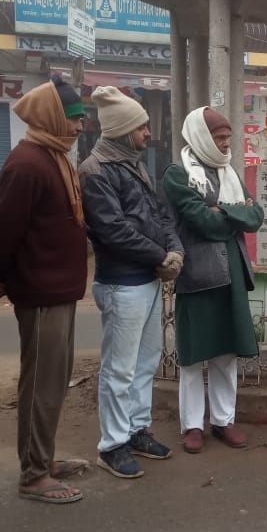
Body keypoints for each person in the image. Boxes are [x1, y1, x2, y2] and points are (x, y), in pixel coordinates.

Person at [0, 75, 89, 504]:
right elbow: (6, 234)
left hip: (60, 289)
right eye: (73, 118)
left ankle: (42, 458)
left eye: (82, 119)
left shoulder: (54, 156)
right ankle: (33, 474)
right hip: (40, 291)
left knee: (55, 381)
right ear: (51, 117)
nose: (80, 127)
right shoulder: (27, 163)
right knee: (40, 385)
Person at [78, 86, 183, 479]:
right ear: (122, 130)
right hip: (122, 283)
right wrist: (161, 257)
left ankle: (136, 429)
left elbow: (159, 215)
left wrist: (174, 251)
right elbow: (112, 230)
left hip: (149, 279)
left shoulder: (134, 164)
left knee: (145, 363)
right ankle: (112, 444)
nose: (147, 134)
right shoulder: (95, 171)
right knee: (119, 369)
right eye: (141, 127)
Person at [162, 106, 264, 455]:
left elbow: (256, 216)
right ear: (201, 137)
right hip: (198, 274)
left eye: (226, 137)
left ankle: (223, 420)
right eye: (218, 137)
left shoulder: (229, 172)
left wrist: (226, 213)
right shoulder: (178, 175)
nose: (224, 143)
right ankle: (192, 425)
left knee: (226, 353)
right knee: (193, 355)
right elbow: (202, 221)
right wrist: (232, 214)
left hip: (232, 273)